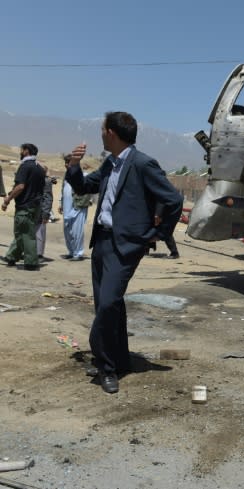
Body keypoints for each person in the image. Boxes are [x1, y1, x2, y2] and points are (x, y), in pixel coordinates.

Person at [66, 111, 183, 394]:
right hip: (102, 242)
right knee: (111, 307)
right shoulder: (110, 163)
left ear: (112, 134)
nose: (100, 133)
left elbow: (173, 199)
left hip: (126, 245)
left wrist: (157, 234)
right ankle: (119, 361)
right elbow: (84, 186)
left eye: (102, 129)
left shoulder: (142, 164)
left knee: (107, 304)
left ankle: (106, 368)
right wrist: (74, 164)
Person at [1, 143, 46, 270]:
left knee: (26, 234)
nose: (20, 152)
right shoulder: (39, 168)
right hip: (35, 206)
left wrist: (8, 200)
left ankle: (31, 262)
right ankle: (11, 257)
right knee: (21, 233)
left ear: (26, 151)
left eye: (21, 150)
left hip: (25, 206)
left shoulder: (25, 167)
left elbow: (20, 186)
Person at [59, 154, 91, 260]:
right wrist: (61, 203)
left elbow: (87, 193)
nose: (66, 165)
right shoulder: (66, 176)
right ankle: (71, 251)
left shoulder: (84, 175)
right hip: (67, 207)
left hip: (78, 207)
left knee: (77, 231)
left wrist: (80, 205)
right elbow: (63, 191)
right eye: (65, 163)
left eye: (68, 163)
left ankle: (78, 253)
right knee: (67, 230)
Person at [35, 165, 55, 260]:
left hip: (42, 211)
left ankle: (39, 254)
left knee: (40, 233)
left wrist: (46, 213)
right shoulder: (37, 179)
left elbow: (48, 198)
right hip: (35, 210)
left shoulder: (46, 181)